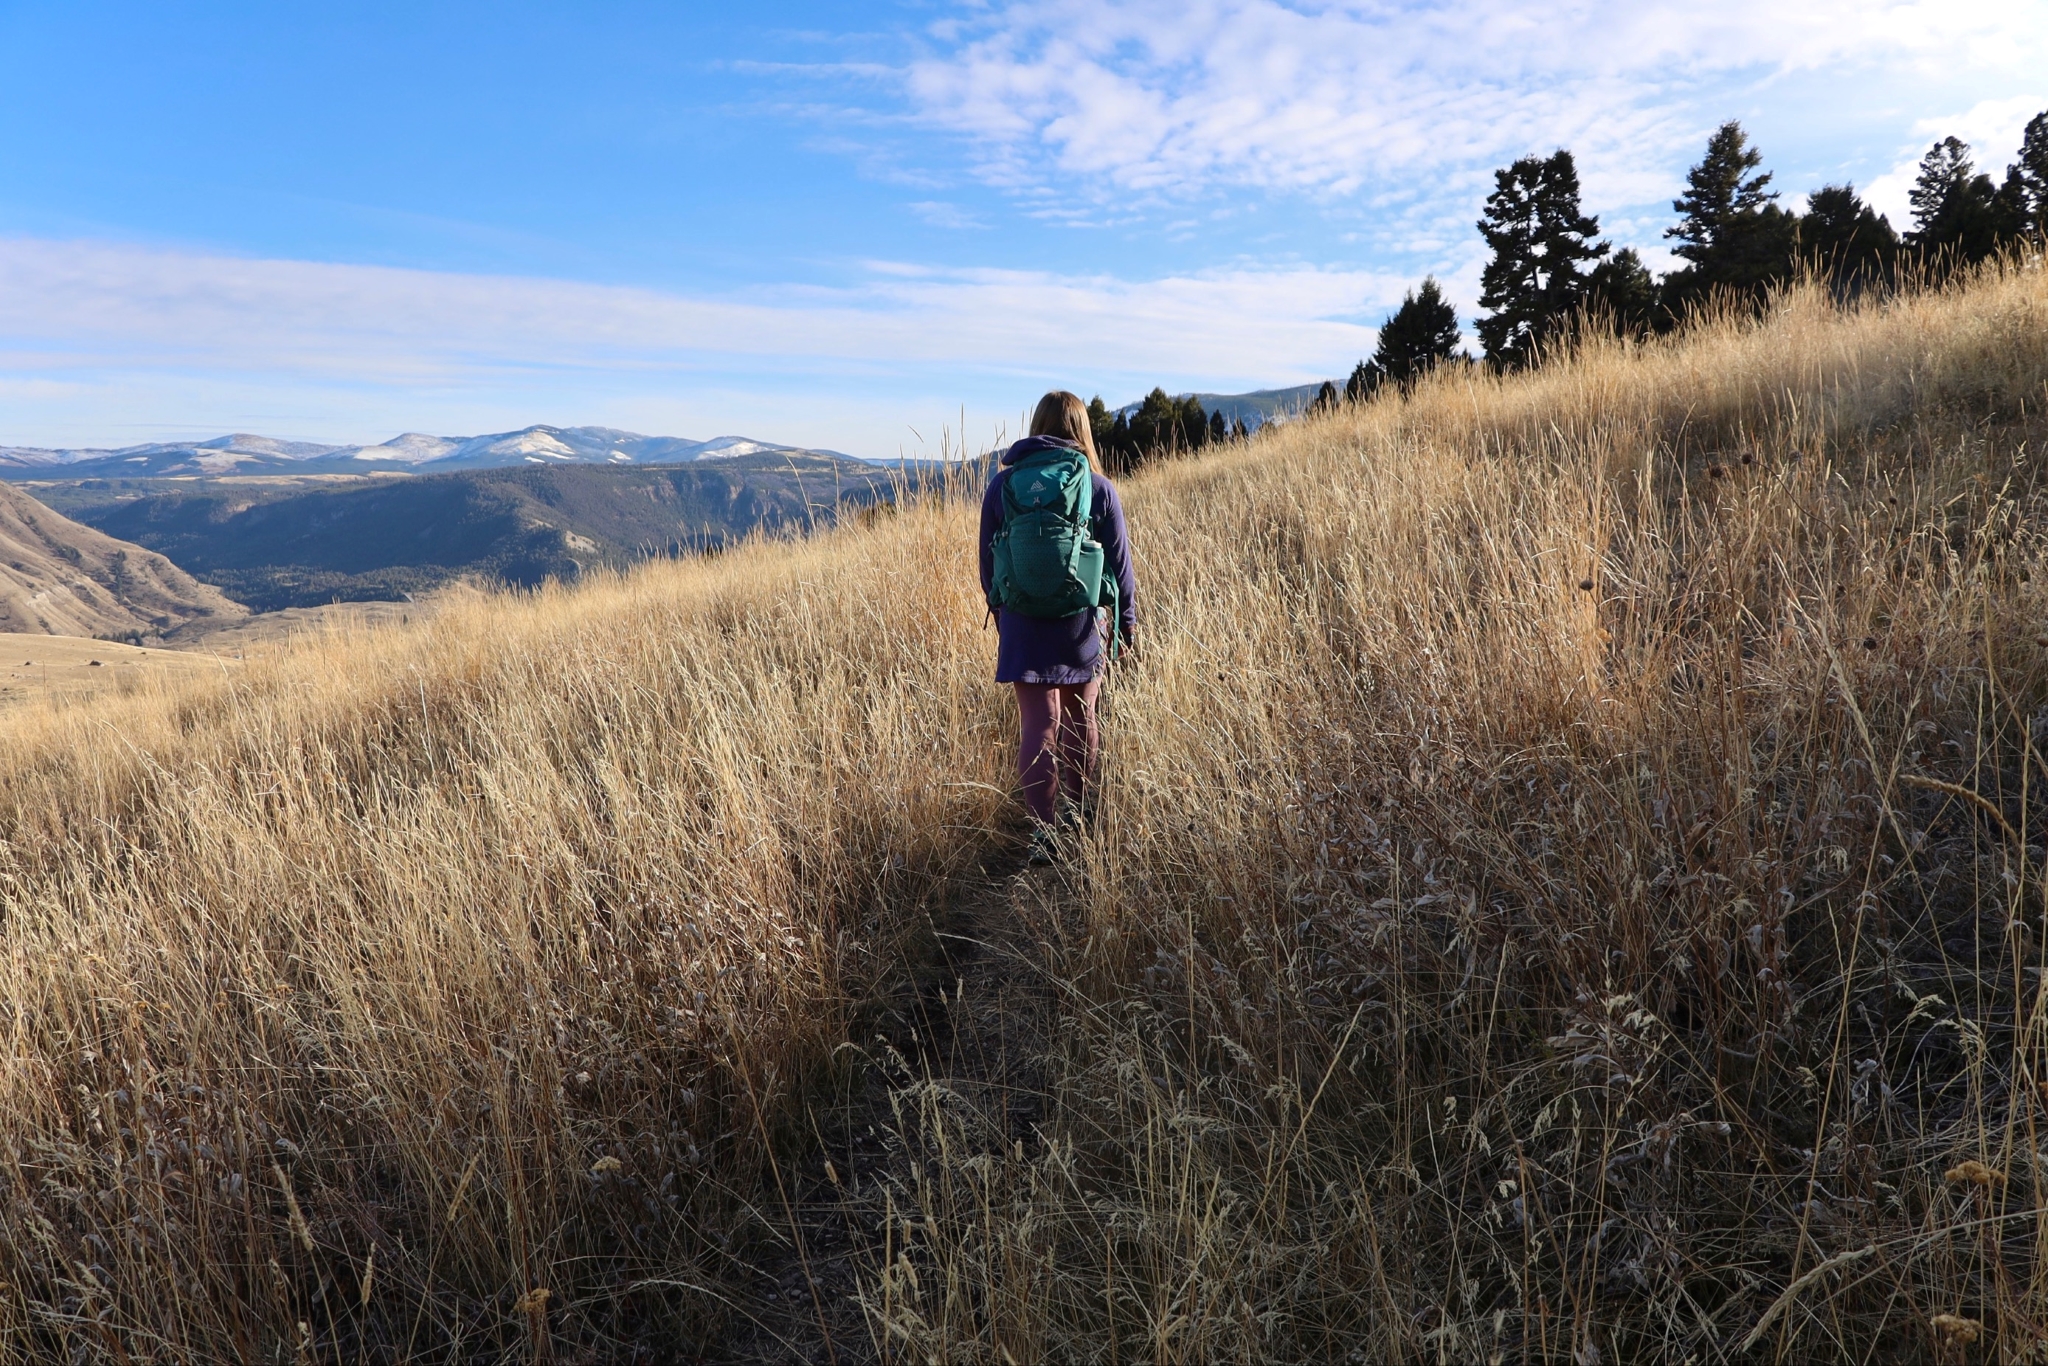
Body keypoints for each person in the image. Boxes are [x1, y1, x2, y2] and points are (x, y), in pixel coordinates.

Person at [978, 390, 1137, 862]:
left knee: (1036, 726)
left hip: (1023, 622)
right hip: (1082, 622)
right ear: (1082, 430)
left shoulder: (1002, 487)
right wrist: (1126, 628)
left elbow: (988, 565)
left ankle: (1043, 838)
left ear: (1036, 425)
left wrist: (1006, 613)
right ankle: (1084, 816)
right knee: (1079, 718)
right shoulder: (1097, 486)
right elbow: (1121, 568)